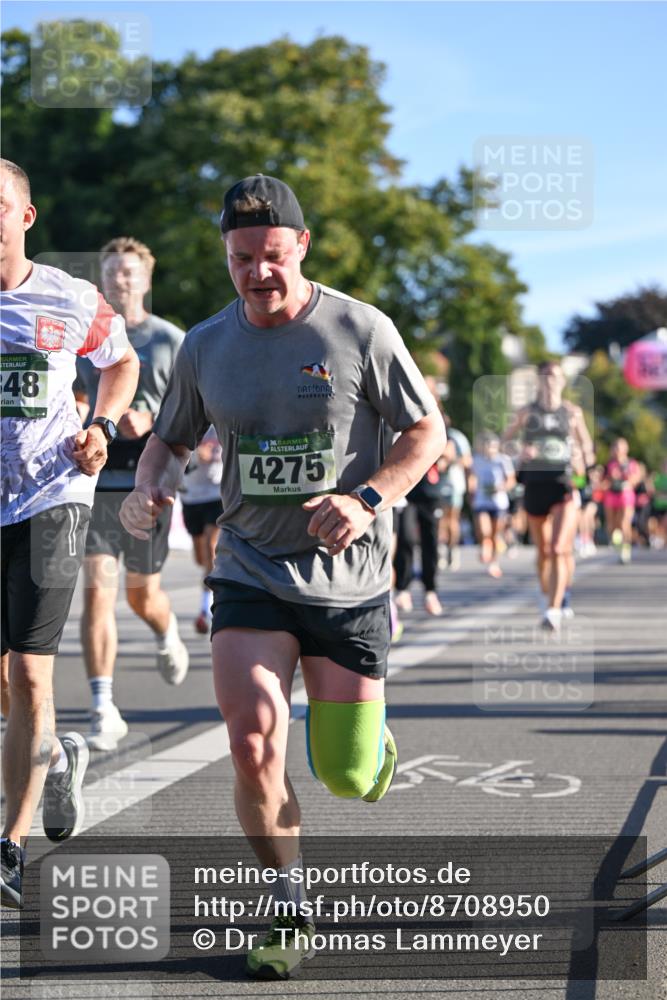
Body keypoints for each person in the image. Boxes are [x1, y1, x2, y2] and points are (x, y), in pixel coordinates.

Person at [120, 174, 446, 978]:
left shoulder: (359, 329)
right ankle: (288, 905)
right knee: (253, 738)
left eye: (271, 255)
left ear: (301, 246)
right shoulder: (205, 344)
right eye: (240, 259)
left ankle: (366, 748)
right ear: (225, 257)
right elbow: (169, 436)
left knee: (344, 773)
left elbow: (426, 430)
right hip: (249, 571)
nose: (258, 273)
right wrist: (149, 485)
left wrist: (369, 497)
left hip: (350, 579)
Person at [0, 160, 139, 908]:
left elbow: (120, 363)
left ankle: (8, 847)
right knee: (8, 688)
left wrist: (102, 425)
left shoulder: (68, 296)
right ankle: (55, 758)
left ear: (26, 216)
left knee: (29, 672)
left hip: (53, 495)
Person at [75, 237, 188, 752]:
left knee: (143, 596)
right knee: (98, 589)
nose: (119, 280)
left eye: (128, 272)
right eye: (111, 272)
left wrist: (152, 421)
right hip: (97, 482)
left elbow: (198, 412)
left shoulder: (171, 340)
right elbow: (72, 395)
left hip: (150, 483)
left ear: (145, 278)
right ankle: (103, 706)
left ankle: (166, 632)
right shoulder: (83, 335)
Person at [503, 360, 595, 630]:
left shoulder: (571, 412)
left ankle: (553, 610)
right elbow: (504, 441)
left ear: (562, 381)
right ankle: (552, 592)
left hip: (563, 483)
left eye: (554, 376)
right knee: (543, 551)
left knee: (558, 548)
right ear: (538, 381)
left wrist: (581, 456)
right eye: (544, 376)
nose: (549, 380)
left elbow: (588, 448)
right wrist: (520, 451)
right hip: (534, 484)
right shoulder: (526, 413)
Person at [180, 426, 223, 633]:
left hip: (218, 492)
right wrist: (194, 454)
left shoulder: (224, 412)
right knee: (201, 558)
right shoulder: (191, 415)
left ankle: (206, 610)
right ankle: (208, 597)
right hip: (191, 495)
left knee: (211, 547)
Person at [468, 432, 515, 578]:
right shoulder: (477, 460)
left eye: (492, 446)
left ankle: (494, 562)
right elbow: (471, 476)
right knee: (483, 529)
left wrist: (501, 488)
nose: (489, 449)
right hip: (482, 500)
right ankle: (484, 546)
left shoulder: (503, 460)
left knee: (495, 534)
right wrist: (471, 491)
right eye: (487, 445)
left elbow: (511, 480)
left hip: (498, 502)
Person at [438, 414, 471, 572]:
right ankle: (440, 551)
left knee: (452, 519)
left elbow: (467, 461)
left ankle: (452, 549)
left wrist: (450, 461)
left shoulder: (457, 437)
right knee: (440, 521)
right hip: (435, 486)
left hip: (454, 485)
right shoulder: (432, 434)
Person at [601, 438, 641, 564]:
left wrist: (627, 479)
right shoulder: (608, 465)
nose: (616, 450)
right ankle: (617, 543)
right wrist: (611, 479)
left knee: (624, 523)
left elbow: (636, 479)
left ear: (625, 449)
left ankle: (625, 551)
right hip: (611, 496)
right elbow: (602, 482)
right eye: (615, 447)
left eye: (619, 447)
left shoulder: (631, 463)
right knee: (612, 525)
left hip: (626, 495)